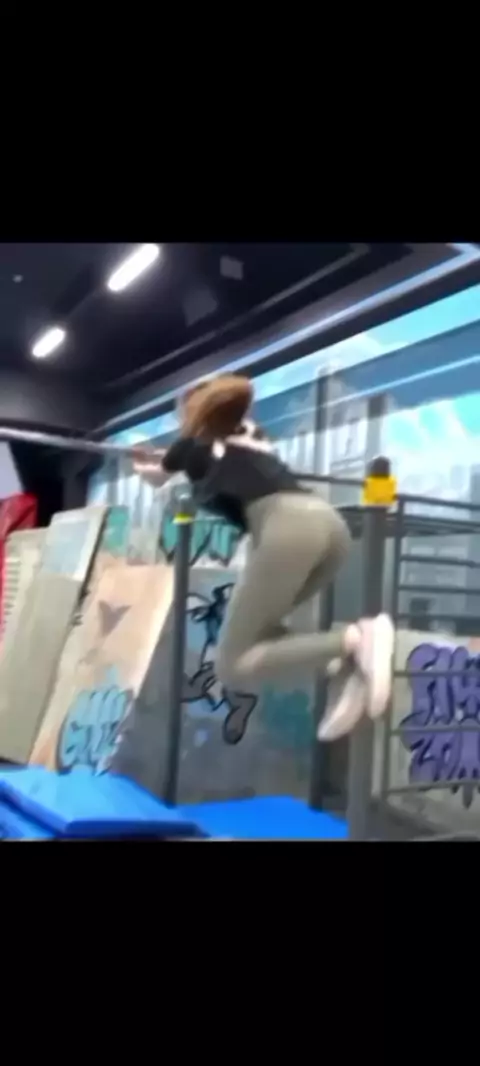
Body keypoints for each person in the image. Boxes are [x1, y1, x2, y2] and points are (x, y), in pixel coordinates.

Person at [133, 374, 394, 741]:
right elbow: (206, 459)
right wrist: (166, 459)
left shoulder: (191, 443)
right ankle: (345, 666)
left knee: (232, 664)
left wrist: (142, 463)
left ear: (195, 412)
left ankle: (355, 639)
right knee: (264, 634)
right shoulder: (254, 436)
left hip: (288, 530)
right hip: (330, 529)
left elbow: (159, 477)